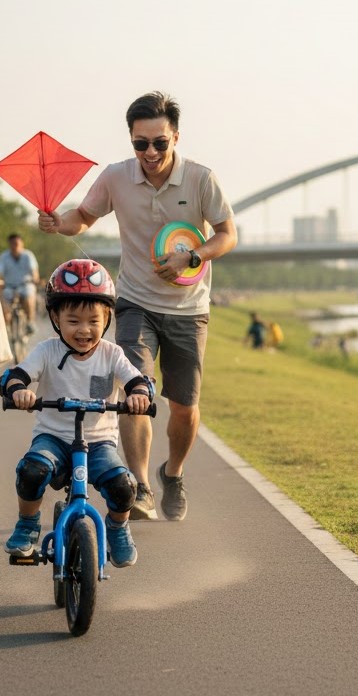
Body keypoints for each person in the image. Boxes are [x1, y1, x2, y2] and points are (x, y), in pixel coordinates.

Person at [37, 91, 237, 521]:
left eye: (159, 143)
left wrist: (193, 255)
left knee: (184, 407)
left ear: (176, 138)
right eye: (140, 143)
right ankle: (142, 485)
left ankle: (174, 473)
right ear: (130, 139)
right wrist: (59, 223)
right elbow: (83, 218)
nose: (150, 152)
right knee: (135, 392)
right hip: (134, 302)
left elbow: (227, 234)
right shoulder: (116, 177)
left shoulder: (202, 179)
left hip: (189, 308)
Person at [0, 259, 153, 567]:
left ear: (107, 318)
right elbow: (15, 376)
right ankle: (27, 525)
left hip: (99, 443)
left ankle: (118, 527)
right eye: (73, 321)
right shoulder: (46, 351)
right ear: (55, 317)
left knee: (124, 487)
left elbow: (138, 380)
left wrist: (139, 395)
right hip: (53, 438)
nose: (84, 330)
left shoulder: (113, 354)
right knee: (31, 472)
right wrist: (19, 391)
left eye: (93, 321)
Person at [0, 233, 39, 333]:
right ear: (9, 244)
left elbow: (34, 272)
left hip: (25, 285)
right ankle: (6, 326)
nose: (14, 246)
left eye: (16, 243)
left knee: (29, 293)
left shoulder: (28, 256)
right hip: (9, 286)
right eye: (12, 244)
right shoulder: (3, 257)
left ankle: (30, 322)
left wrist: (34, 279)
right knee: (3, 298)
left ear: (22, 244)